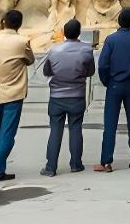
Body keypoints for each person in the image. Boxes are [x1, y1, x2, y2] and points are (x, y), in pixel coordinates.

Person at [0, 9, 34, 182]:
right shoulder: (23, 41)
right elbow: (30, 60)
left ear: (3, 22)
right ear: (20, 24)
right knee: (7, 133)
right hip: (13, 92)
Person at [95, 5, 130, 172]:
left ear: (119, 21)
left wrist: (107, 81)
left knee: (110, 124)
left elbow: (103, 64)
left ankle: (106, 161)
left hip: (114, 85)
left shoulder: (111, 40)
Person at [39, 18, 95, 177]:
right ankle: (76, 164)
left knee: (55, 131)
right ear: (79, 33)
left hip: (56, 96)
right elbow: (90, 71)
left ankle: (51, 167)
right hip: (77, 95)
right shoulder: (86, 50)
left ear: (63, 33)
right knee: (76, 128)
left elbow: (46, 71)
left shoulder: (54, 51)